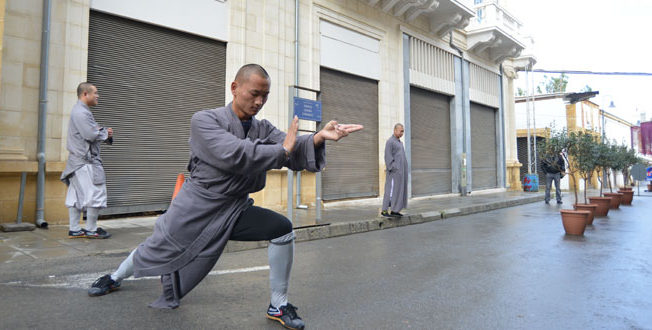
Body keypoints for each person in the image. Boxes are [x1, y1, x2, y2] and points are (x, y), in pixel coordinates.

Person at [87, 64, 363, 330]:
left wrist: (318, 138)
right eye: (253, 93)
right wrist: (282, 150)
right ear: (234, 87)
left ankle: (278, 305)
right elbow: (235, 154)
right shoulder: (204, 120)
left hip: (233, 207)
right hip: (197, 204)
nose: (259, 101)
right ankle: (115, 276)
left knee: (282, 229)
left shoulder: (262, 128)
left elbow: (289, 145)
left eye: (264, 96)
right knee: (157, 245)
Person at [60, 82, 113, 239]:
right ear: (85, 94)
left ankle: (75, 228)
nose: (98, 96)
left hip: (77, 161)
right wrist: (105, 132)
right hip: (85, 162)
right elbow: (90, 134)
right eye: (95, 93)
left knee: (75, 195)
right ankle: (91, 229)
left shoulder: (81, 111)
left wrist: (101, 131)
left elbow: (92, 132)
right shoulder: (81, 113)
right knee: (95, 193)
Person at [381, 123, 408, 217]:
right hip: (393, 173)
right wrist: (393, 168)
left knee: (398, 191)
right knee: (390, 191)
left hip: (400, 173)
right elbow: (387, 156)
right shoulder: (390, 142)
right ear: (395, 130)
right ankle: (384, 210)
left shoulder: (400, 143)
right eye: (401, 131)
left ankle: (395, 210)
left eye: (403, 131)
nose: (402, 133)